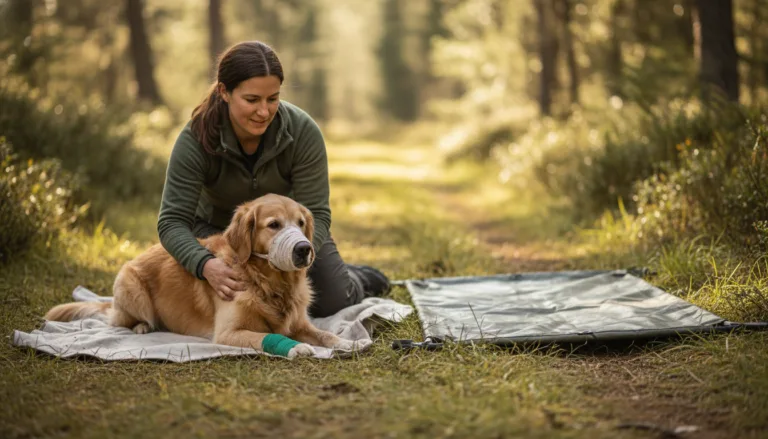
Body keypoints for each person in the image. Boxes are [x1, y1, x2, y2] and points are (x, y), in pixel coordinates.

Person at [157, 41, 390, 318]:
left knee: (332, 301)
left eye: (273, 99)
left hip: (289, 231)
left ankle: (357, 277)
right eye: (252, 100)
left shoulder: (303, 131)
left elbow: (316, 211)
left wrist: (292, 250)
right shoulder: (195, 138)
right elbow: (172, 222)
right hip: (216, 233)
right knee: (236, 301)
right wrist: (205, 264)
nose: (264, 111)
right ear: (225, 92)